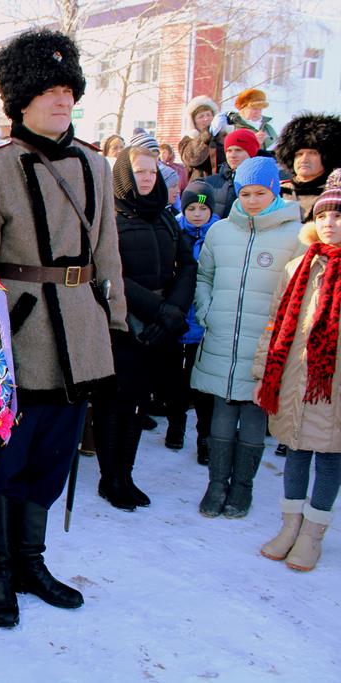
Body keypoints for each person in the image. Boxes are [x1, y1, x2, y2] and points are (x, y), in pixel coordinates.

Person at [0, 29, 127, 629]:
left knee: (53, 457)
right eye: (49, 90)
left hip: (82, 337)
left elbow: (107, 254)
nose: (62, 99)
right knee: (5, 463)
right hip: (16, 340)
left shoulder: (97, 164)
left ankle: (32, 562)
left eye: (68, 89)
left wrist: (114, 325)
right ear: (21, 100)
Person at [191, 156, 303, 520]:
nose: (252, 201)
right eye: (245, 193)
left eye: (260, 193)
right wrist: (206, 311)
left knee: (254, 417)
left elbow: (298, 291)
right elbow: (204, 276)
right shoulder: (221, 231)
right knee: (222, 415)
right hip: (223, 337)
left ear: (274, 191)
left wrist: (283, 334)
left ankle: (242, 487)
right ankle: (216, 484)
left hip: (264, 344)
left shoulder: (295, 235)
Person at [93, 146, 196, 511]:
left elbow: (186, 264)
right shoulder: (108, 216)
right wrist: (159, 310)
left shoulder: (165, 216)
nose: (148, 178)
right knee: (115, 403)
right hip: (123, 325)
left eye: (153, 171)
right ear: (124, 175)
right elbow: (109, 272)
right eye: (140, 171)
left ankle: (126, 475)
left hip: (159, 325)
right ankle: (110, 479)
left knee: (138, 404)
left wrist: (175, 310)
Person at [255, 171, 341, 571]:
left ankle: (313, 533)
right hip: (293, 378)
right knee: (296, 449)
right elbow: (274, 324)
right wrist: (262, 370)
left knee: (330, 454)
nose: (329, 223)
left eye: (337, 216)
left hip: (332, 385)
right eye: (322, 216)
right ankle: (290, 525)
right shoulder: (297, 268)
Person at [166, 181, 219, 462]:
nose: (197, 214)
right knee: (176, 380)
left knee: (203, 385)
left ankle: (204, 437)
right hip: (178, 319)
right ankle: (175, 425)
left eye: (203, 209)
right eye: (191, 209)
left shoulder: (219, 235)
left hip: (205, 322)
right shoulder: (173, 230)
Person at [276, 113, 341, 222]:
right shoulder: (276, 192)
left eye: (313, 153)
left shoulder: (335, 193)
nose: (304, 159)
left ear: (328, 157)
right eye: (299, 154)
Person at [205, 128, 258, 219]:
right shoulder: (210, 183)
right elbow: (200, 202)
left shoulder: (264, 183)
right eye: (229, 151)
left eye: (238, 150)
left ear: (251, 153)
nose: (232, 155)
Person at [178, 95, 225, 180]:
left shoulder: (223, 138)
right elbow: (192, 159)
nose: (206, 119)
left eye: (208, 115)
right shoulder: (187, 141)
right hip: (200, 184)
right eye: (201, 116)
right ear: (194, 122)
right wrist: (208, 133)